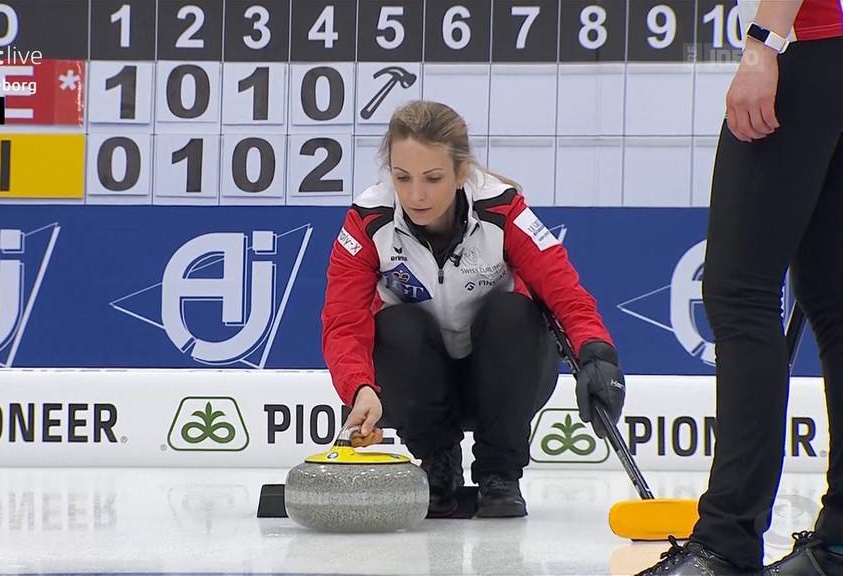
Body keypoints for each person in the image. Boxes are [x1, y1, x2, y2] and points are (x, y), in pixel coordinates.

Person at [320, 100, 626, 518]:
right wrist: (359, 388)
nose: (415, 195)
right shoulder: (367, 220)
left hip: (503, 382)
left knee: (513, 314)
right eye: (402, 177)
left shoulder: (502, 208)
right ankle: (438, 465)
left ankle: (500, 474)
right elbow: (343, 323)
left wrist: (597, 352)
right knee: (396, 324)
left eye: (432, 178)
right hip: (414, 389)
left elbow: (564, 291)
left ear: (462, 172)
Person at [636, 0, 843, 574]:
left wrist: (763, 42)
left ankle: (726, 543)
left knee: (741, 292)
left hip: (809, 39)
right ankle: (838, 545)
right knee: (833, 302)